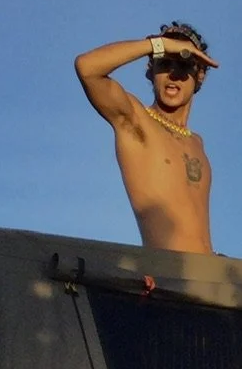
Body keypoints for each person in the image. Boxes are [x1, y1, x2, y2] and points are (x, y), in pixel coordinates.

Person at [74, 22, 219, 254]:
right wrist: (158, 45)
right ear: (151, 70)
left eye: (184, 65)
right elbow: (87, 68)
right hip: (167, 269)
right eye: (165, 63)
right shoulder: (137, 121)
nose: (174, 74)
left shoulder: (197, 143)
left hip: (209, 270)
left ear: (200, 75)